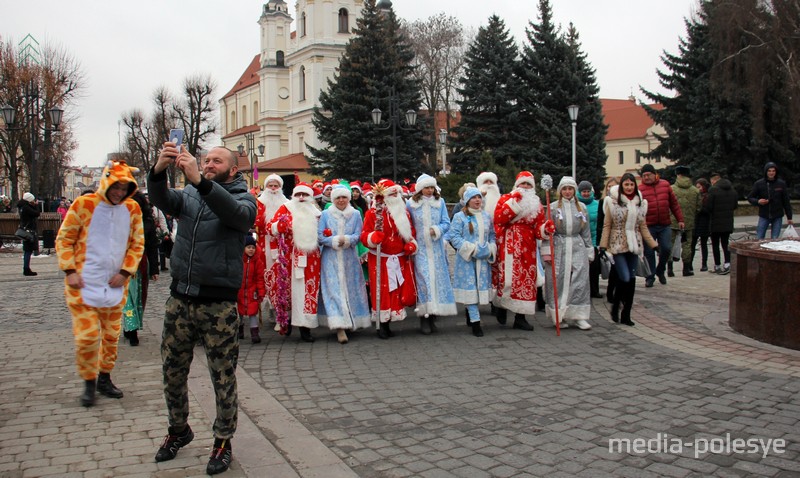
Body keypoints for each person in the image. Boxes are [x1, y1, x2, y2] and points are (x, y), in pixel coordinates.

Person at [148, 142, 256, 475]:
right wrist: (158, 170)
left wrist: (200, 181)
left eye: (216, 161)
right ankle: (178, 430)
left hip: (218, 305)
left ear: (233, 170)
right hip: (180, 299)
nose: (208, 164)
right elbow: (162, 200)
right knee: (172, 372)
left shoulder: (245, 199)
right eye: (205, 160)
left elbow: (235, 215)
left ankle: (223, 441)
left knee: (222, 377)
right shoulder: (191, 194)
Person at [55, 160, 145, 406]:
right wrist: (70, 270)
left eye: (124, 188)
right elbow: (64, 239)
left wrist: (126, 272)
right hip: (83, 284)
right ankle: (88, 382)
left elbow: (137, 243)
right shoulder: (84, 204)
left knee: (110, 336)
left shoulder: (133, 209)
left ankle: (105, 378)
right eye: (116, 186)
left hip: (116, 285)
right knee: (87, 336)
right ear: (106, 182)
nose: (119, 192)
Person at [492, 171, 555, 331]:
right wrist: (513, 204)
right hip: (508, 244)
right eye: (523, 184)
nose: (525, 187)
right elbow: (499, 218)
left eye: (529, 184)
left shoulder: (537, 204)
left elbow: (538, 229)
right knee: (507, 280)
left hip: (528, 246)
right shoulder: (506, 198)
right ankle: (502, 306)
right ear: (517, 184)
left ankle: (520, 317)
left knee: (525, 281)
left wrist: (545, 229)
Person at [361, 179, 418, 339]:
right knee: (382, 290)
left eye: (396, 193)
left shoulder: (404, 213)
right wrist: (373, 237)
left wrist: (411, 244)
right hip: (380, 259)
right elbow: (364, 235)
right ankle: (382, 324)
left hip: (399, 259)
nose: (395, 196)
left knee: (396, 290)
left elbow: (411, 232)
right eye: (391, 194)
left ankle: (392, 318)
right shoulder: (373, 213)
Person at [266, 182, 322, 343]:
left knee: (307, 291)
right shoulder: (286, 208)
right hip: (288, 257)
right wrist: (279, 226)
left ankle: (306, 328)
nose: (302, 198)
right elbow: (270, 228)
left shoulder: (316, 212)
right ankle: (287, 323)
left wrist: (326, 233)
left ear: (310, 196)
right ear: (294, 195)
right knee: (287, 290)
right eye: (298, 194)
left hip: (310, 258)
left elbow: (323, 232)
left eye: (305, 194)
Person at [599, 173, 658, 326]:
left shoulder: (640, 203)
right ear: (622, 186)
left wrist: (653, 244)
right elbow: (607, 225)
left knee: (631, 279)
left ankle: (626, 314)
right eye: (626, 184)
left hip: (634, 245)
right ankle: (616, 305)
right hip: (617, 244)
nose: (629, 187)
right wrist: (603, 245)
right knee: (624, 277)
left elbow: (642, 226)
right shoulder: (612, 203)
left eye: (632, 184)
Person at [317, 184, 371, 344]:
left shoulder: (355, 214)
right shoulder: (326, 214)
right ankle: (339, 326)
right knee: (333, 290)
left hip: (349, 259)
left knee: (351, 289)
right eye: (338, 198)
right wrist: (333, 240)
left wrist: (347, 240)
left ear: (348, 199)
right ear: (333, 199)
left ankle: (352, 320)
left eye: (344, 197)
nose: (341, 200)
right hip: (330, 258)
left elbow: (358, 235)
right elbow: (320, 236)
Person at [407, 174, 456, 334]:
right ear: (420, 189)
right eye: (426, 187)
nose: (429, 190)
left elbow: (446, 223)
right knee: (424, 281)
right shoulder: (411, 204)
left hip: (436, 250)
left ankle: (433, 315)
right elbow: (408, 224)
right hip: (420, 249)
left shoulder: (439, 202)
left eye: (432, 187)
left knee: (436, 282)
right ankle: (424, 317)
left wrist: (436, 230)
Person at [543, 177, 594, 330]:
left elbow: (586, 231)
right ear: (560, 191)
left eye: (570, 189)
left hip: (577, 244)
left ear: (574, 191)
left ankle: (579, 315)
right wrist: (547, 252)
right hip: (560, 245)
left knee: (580, 278)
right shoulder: (552, 208)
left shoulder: (582, 208)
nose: (567, 192)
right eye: (564, 189)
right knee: (558, 279)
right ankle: (558, 315)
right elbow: (547, 232)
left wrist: (589, 249)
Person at [446, 187, 496, 337]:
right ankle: (475, 322)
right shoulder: (460, 217)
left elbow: (492, 235)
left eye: (479, 197)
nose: (477, 200)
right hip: (467, 260)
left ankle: (471, 314)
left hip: (483, 260)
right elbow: (454, 236)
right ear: (467, 201)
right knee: (470, 289)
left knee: (479, 289)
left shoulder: (487, 216)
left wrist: (490, 248)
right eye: (473, 198)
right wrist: (470, 249)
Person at [121, 191, 161, 346]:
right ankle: (132, 329)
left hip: (141, 264)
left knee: (139, 297)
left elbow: (152, 246)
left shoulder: (147, 222)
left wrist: (155, 269)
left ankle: (132, 325)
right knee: (127, 298)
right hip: (122, 264)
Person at [638, 163, 684, 287]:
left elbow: (674, 204)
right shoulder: (640, 190)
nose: (646, 177)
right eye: (644, 175)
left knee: (666, 248)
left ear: (655, 174)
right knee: (649, 252)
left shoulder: (665, 185)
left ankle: (660, 270)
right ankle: (650, 276)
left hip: (664, 224)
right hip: (648, 226)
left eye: (648, 175)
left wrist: (680, 219)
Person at [254, 174, 289, 330]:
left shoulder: (286, 203)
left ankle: (281, 308)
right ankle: (269, 307)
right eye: (270, 186)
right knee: (266, 274)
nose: (273, 189)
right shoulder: (259, 203)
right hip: (265, 244)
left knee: (280, 275)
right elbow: (255, 222)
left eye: (276, 186)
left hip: (282, 245)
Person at [747, 162, 794, 239]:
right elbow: (750, 197)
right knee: (760, 237)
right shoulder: (759, 183)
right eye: (769, 171)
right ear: (766, 172)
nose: (771, 173)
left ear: (776, 172)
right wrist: (758, 201)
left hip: (777, 215)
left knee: (775, 239)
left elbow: (786, 201)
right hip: (764, 215)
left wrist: (789, 217)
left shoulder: (781, 184)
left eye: (773, 171)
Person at [669, 166, 700, 277]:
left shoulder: (671, 189)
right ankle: (686, 269)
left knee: (670, 244)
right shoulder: (695, 190)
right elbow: (698, 207)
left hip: (672, 222)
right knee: (687, 245)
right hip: (688, 223)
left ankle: (670, 269)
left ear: (678, 175)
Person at [704, 174, 738, 274]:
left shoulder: (713, 190)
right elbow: (735, 206)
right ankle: (727, 263)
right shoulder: (733, 190)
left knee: (715, 244)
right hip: (728, 222)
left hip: (715, 222)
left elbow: (708, 207)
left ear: (714, 181)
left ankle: (717, 265)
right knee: (725, 243)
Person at [237, 234, 266, 343]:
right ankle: (239, 330)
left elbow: (259, 278)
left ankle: (254, 333)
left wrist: (261, 291)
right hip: (240, 291)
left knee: (252, 312)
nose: (251, 250)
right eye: (248, 247)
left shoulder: (257, 262)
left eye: (253, 248)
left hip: (252, 291)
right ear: (244, 248)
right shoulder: (240, 260)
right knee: (239, 312)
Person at [578, 180, 603, 298]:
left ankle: (594, 290)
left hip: (593, 239)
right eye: (584, 191)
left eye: (588, 191)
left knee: (594, 267)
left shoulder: (597, 205)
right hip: (579, 240)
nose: (586, 194)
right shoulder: (576, 204)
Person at [596, 178, 619, 302]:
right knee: (612, 265)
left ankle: (616, 291)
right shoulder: (603, 201)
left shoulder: (623, 202)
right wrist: (601, 242)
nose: (611, 188)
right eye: (609, 186)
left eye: (614, 186)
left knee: (618, 266)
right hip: (608, 237)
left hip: (620, 238)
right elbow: (601, 222)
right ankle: (611, 291)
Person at [17, 192, 40, 276]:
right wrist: (36, 205)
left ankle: (26, 268)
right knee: (28, 251)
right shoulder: (26, 208)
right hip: (29, 231)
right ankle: (26, 269)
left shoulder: (22, 207)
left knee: (28, 250)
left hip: (25, 230)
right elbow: (36, 213)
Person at [691, 178, 711, 272]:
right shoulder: (695, 195)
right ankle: (689, 264)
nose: (698, 188)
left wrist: (699, 208)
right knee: (692, 244)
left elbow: (708, 210)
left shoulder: (707, 196)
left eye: (699, 186)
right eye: (697, 186)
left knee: (703, 244)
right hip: (695, 222)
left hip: (704, 222)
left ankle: (704, 264)